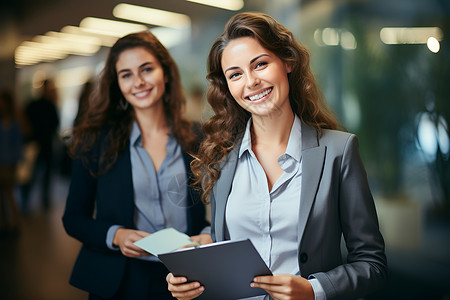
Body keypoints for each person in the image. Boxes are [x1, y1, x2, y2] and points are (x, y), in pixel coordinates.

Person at [167, 12, 387, 300]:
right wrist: (190, 280)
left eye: (260, 64)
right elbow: (228, 235)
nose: (251, 82)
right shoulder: (222, 157)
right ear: (228, 87)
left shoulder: (339, 151)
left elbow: (373, 265)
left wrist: (313, 290)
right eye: (235, 74)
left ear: (287, 62)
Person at [62, 30, 211, 300]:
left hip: (185, 277)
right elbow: (73, 219)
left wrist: (208, 235)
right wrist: (116, 235)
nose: (138, 82)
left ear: (165, 73)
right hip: (120, 278)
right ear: (117, 83)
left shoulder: (198, 137)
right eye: (126, 74)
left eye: (147, 69)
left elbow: (221, 209)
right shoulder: (94, 142)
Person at [22, 78, 59, 211]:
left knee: (32, 174)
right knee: (38, 175)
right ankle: (43, 201)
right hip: (43, 144)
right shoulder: (49, 105)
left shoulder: (33, 104)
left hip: (36, 143)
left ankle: (26, 201)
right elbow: (56, 124)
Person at [0, 89, 23, 233]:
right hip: (2, 161)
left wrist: (16, 160)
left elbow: (17, 144)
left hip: (9, 163)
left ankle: (14, 222)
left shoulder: (14, 123)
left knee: (9, 194)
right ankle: (3, 223)